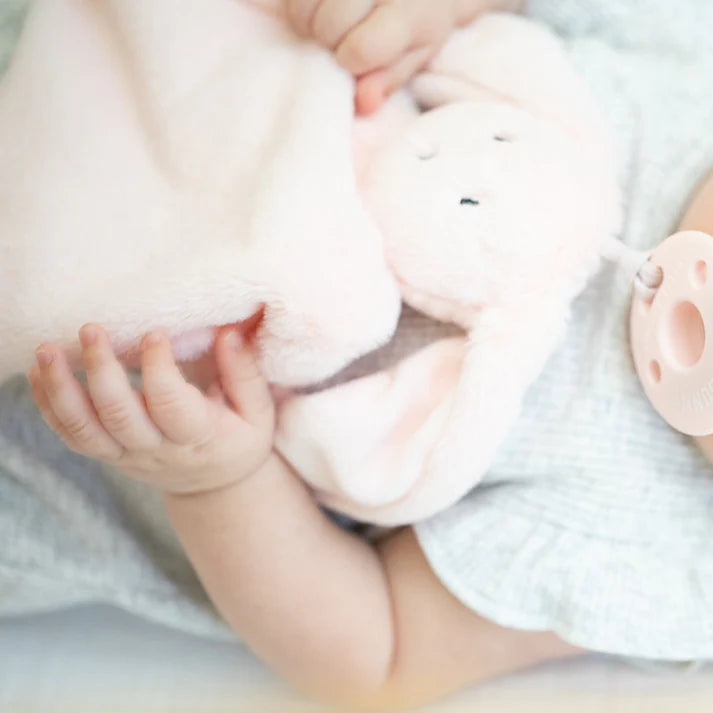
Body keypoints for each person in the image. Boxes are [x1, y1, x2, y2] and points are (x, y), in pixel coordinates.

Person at [5, 0, 713, 709]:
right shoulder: (687, 58)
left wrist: (221, 481)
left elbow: (380, 653)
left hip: (62, 436)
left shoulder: (659, 553)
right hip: (156, 61)